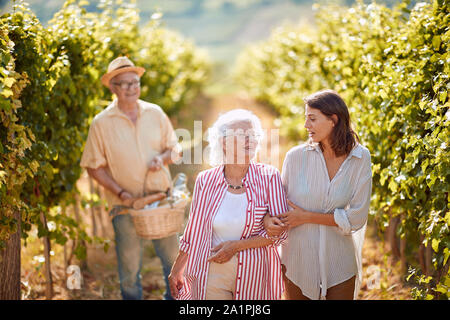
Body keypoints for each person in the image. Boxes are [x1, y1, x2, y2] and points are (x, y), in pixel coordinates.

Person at [80, 56, 181, 300]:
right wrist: (121, 192)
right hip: (125, 206)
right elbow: (93, 166)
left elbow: (174, 150)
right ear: (112, 87)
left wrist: (162, 158)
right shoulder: (101, 123)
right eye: (124, 84)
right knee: (129, 270)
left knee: (175, 264)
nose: (131, 88)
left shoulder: (155, 113)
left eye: (134, 82)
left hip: (161, 201)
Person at [168, 109, 289, 300]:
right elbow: (195, 229)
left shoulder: (270, 177)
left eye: (253, 135)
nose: (250, 140)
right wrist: (177, 268)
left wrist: (236, 246)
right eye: (242, 135)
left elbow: (281, 232)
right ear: (223, 142)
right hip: (211, 269)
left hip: (256, 273)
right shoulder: (205, 180)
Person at [265, 89, 372, 300]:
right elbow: (277, 208)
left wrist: (307, 217)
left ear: (333, 120)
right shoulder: (295, 157)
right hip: (298, 261)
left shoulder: (360, 158)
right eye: (306, 119)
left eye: (312, 119)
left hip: (339, 263)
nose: (306, 126)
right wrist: (269, 220)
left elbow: (357, 218)